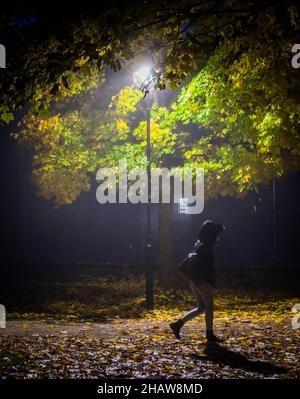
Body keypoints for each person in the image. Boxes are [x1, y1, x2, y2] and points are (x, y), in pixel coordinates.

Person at [169, 220, 225, 342]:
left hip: (195, 281)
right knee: (209, 307)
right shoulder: (205, 247)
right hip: (201, 281)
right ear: (211, 235)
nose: (218, 237)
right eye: (216, 234)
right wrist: (201, 280)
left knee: (201, 307)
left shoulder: (199, 245)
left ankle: (177, 324)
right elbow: (203, 266)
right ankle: (209, 334)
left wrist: (192, 280)